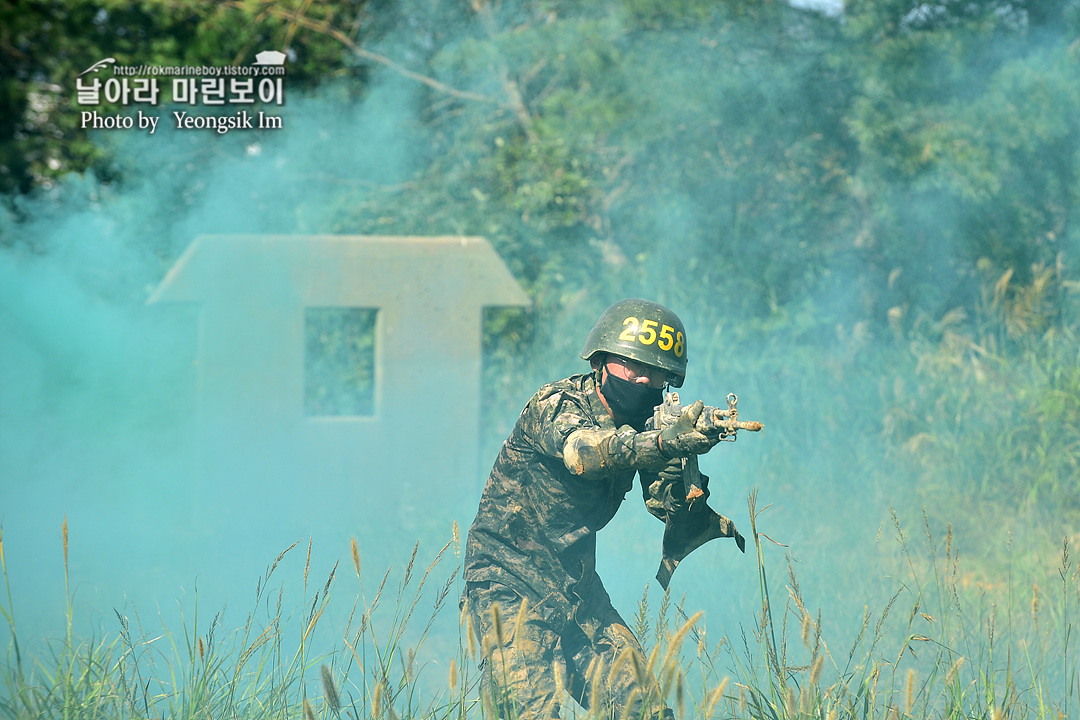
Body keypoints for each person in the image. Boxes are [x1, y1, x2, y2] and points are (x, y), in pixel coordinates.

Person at [462, 298, 743, 720]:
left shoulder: (647, 423)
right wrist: (664, 443)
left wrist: (685, 465)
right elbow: (585, 454)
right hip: (507, 583)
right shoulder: (556, 404)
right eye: (632, 364)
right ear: (601, 360)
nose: (644, 377)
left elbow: (666, 507)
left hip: (576, 588)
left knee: (642, 710)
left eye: (657, 372)